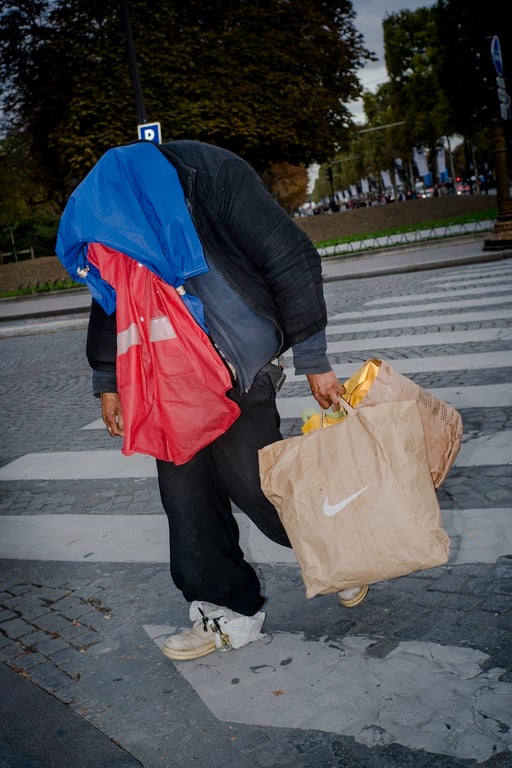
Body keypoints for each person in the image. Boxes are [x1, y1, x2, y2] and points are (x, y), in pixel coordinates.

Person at [56, 139, 368, 662]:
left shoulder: (215, 175)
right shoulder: (117, 217)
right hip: (165, 378)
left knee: (256, 484)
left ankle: (345, 551)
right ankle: (226, 612)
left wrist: (314, 359)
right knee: (186, 498)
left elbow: (288, 256)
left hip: (239, 363)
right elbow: (111, 299)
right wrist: (106, 379)